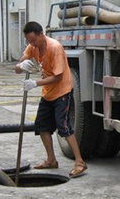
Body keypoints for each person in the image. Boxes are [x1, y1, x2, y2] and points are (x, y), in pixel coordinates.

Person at [15, 21, 87, 178]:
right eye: (29, 41)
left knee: (64, 126)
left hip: (62, 91)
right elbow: (20, 62)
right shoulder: (33, 47)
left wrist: (35, 83)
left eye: (34, 40)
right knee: (41, 125)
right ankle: (51, 160)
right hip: (48, 93)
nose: (32, 44)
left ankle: (80, 162)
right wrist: (20, 66)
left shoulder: (55, 48)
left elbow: (58, 76)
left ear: (41, 34)